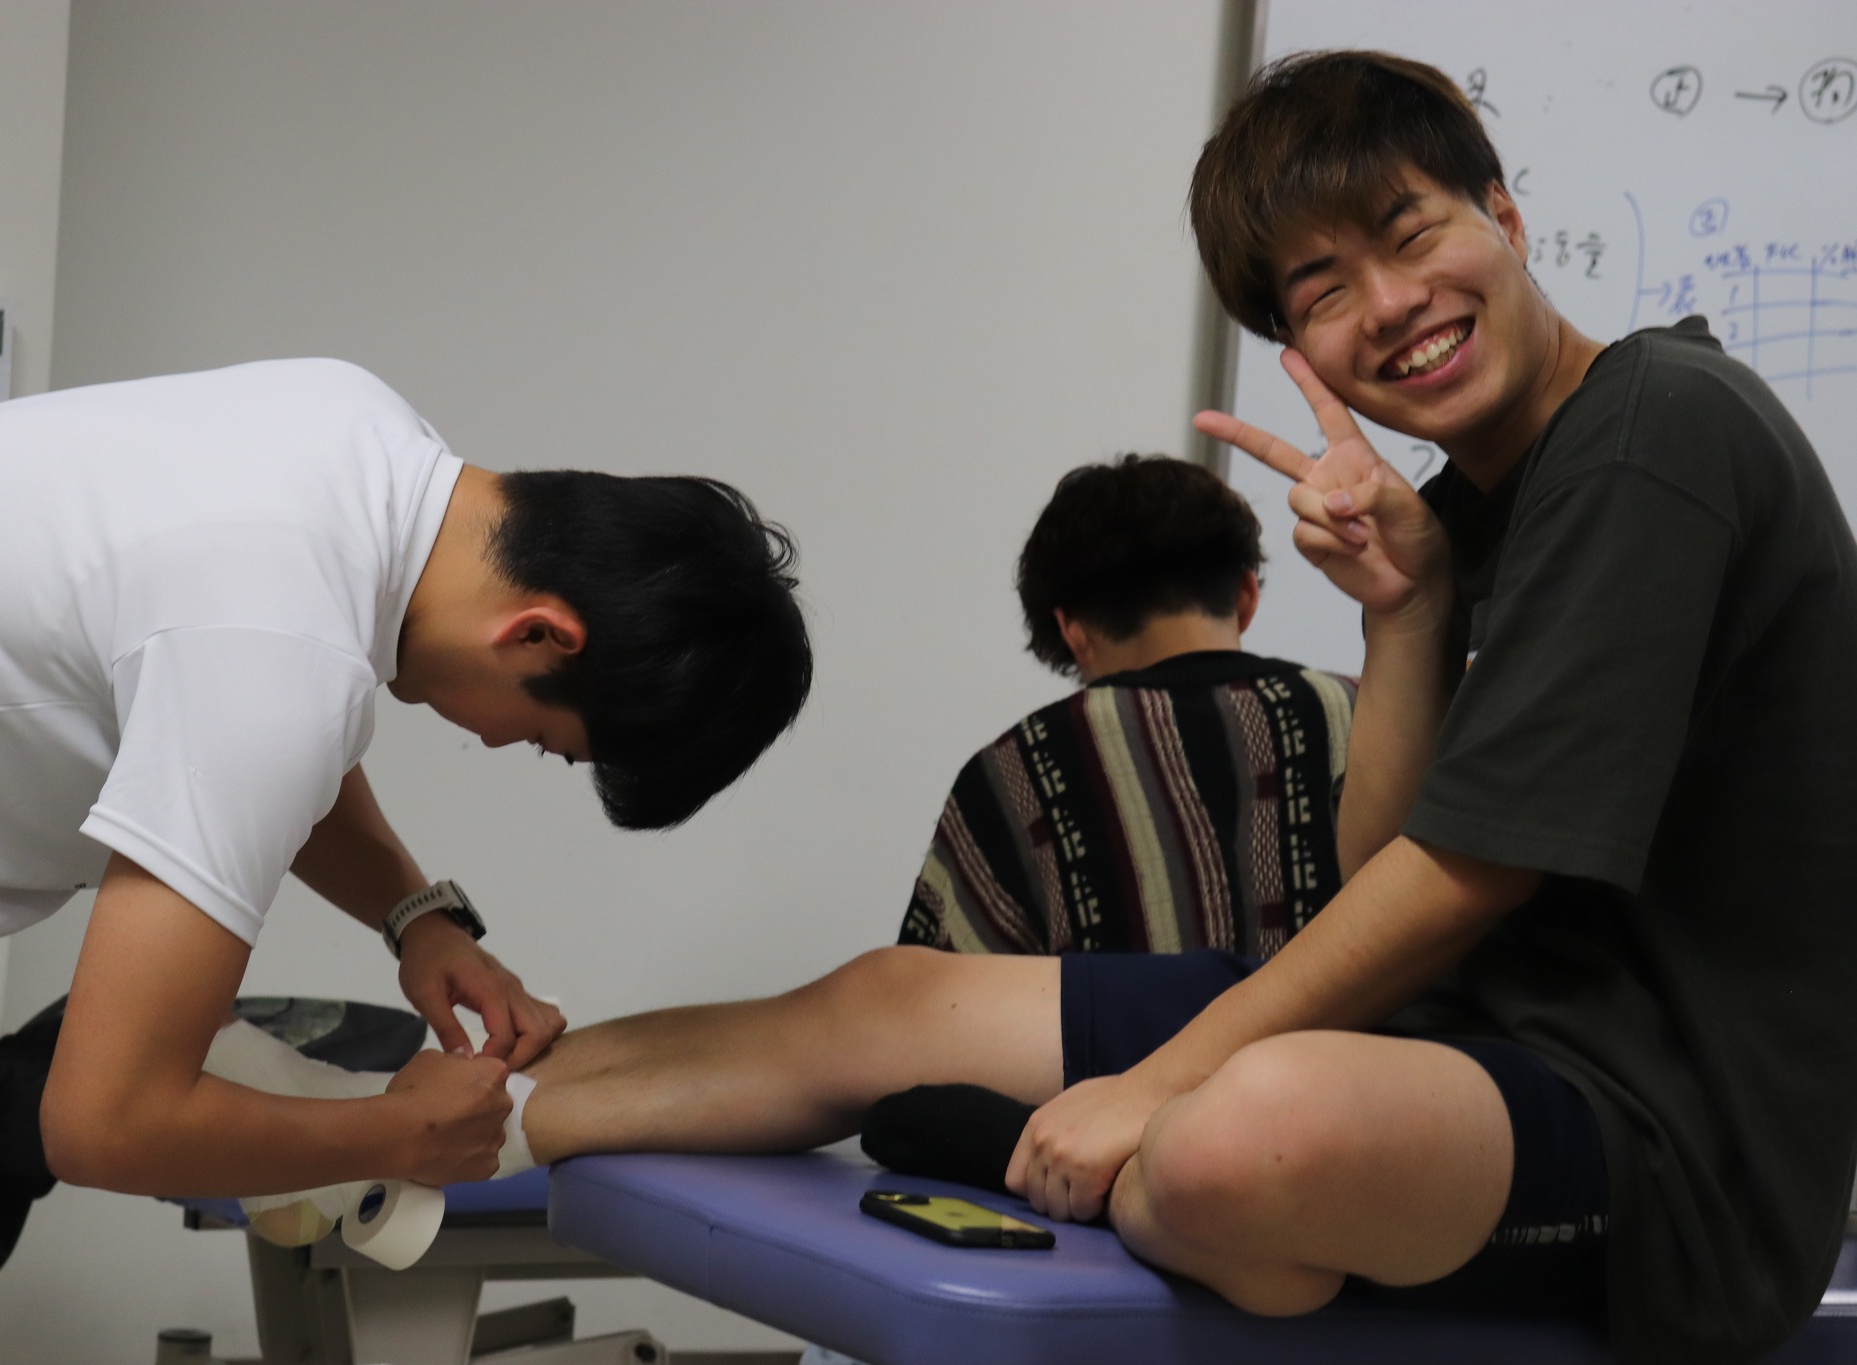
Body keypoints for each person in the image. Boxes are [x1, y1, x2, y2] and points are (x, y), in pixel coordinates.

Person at [485, 50, 1857, 1365]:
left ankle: (1084, 1164)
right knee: (885, 1002)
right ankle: (468, 1121)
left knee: (1232, 1137)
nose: (1389, 304)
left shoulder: (1650, 432)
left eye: (1409, 233)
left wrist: (1151, 1089)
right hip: (1461, 1027)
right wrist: (1407, 612)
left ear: (1502, 214)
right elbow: (1377, 866)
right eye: (1323, 289)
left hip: (1660, 1127)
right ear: (1295, 344)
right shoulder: (1473, 509)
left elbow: (1464, 871)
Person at [0, 358, 812, 1364]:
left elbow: (259, 710)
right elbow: (104, 1123)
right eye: (543, 741)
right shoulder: (272, 657)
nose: (500, 742)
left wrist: (416, 919)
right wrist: (399, 1134)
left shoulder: (355, 431)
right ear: (541, 633)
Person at [900, 453, 1357, 958]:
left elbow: (937, 983)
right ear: (1246, 596)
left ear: (1072, 631)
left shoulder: (1018, 768)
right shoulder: (1364, 714)